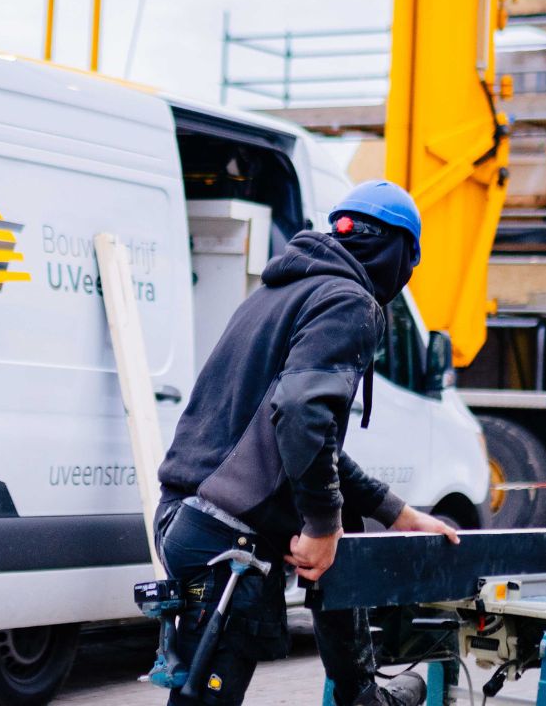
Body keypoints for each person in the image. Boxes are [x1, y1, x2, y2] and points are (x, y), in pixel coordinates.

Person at [153, 180, 461, 705]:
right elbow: (301, 414)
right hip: (227, 541)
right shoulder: (349, 301)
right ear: (401, 254)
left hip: (186, 523)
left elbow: (299, 436)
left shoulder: (278, 293)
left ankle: (360, 693)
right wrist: (323, 524)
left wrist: (397, 513)